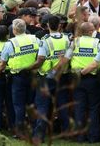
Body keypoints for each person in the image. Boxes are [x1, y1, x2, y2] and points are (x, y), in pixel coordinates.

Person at [0, 19, 40, 137]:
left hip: (17, 77)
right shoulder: (35, 39)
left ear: (14, 30)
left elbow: (2, 63)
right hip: (33, 75)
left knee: (19, 106)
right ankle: (34, 131)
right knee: (31, 104)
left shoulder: (10, 43)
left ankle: (20, 132)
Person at [31, 14, 70, 142]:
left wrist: (31, 67)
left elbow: (41, 59)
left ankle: (39, 135)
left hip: (46, 77)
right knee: (62, 104)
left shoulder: (45, 40)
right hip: (62, 75)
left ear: (47, 25)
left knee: (42, 106)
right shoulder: (66, 39)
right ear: (59, 25)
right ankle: (66, 133)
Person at [65, 22, 100, 142]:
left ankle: (80, 136)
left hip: (76, 77)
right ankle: (93, 136)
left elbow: (67, 58)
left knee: (79, 108)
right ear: (91, 31)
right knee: (93, 108)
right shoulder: (97, 43)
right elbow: (99, 61)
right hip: (91, 78)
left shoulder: (74, 43)